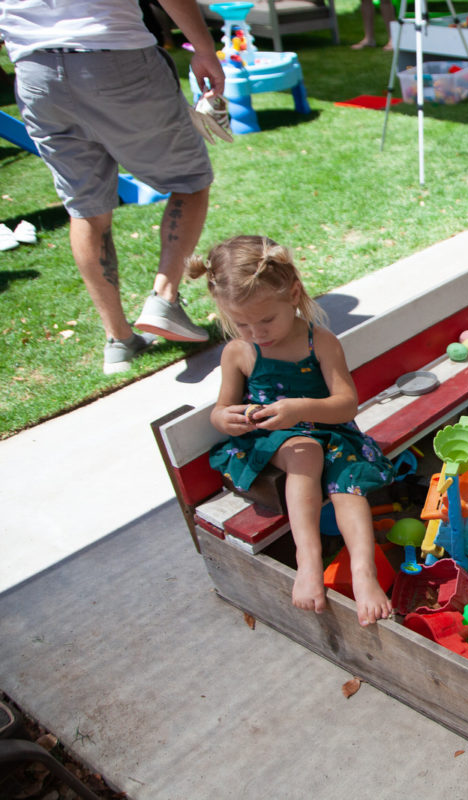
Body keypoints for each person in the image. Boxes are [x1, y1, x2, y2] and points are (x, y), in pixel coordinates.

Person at [0, 0, 221, 375]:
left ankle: (118, 340)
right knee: (190, 181)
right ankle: (164, 299)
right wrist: (203, 48)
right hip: (114, 55)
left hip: (34, 71)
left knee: (85, 207)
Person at [193, 235, 396, 626]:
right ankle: (308, 560)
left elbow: (346, 405)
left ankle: (364, 572)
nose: (257, 332)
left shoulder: (318, 342)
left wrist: (298, 409)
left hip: (331, 432)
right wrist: (226, 419)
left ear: (294, 294)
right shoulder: (238, 352)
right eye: (242, 324)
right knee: (306, 451)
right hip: (273, 440)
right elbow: (222, 409)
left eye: (266, 320)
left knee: (347, 484)